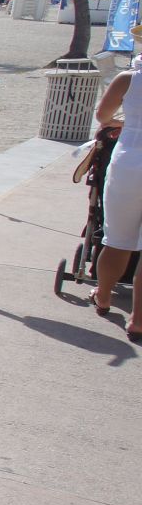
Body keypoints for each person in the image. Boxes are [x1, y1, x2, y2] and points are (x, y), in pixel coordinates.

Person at [89, 27, 142, 342]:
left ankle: (105, 296)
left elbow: (103, 115)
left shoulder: (129, 79)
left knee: (117, 240)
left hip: (129, 162)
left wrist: (127, 122)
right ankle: (137, 319)